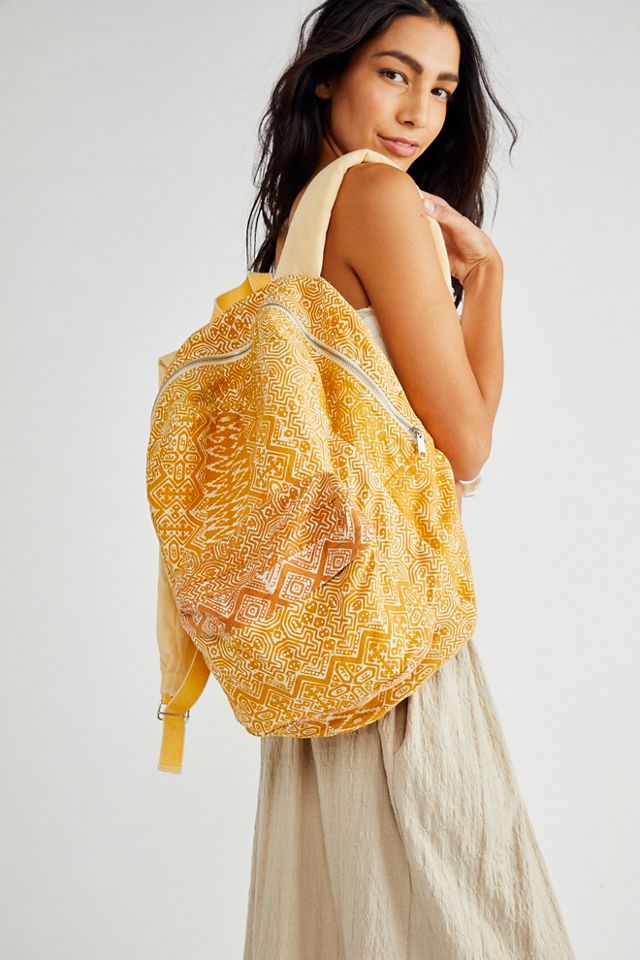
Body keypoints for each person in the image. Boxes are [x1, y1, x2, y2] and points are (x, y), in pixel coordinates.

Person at [242, 2, 577, 958]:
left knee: (345, 921)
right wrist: (489, 284)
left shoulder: (302, 221)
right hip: (394, 633)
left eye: (441, 88)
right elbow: (464, 447)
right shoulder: (380, 196)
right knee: (472, 913)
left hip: (320, 639)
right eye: (394, 73)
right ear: (329, 74)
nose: (418, 112)